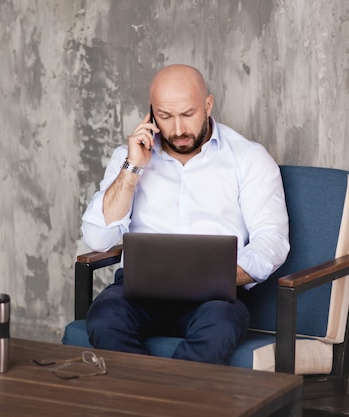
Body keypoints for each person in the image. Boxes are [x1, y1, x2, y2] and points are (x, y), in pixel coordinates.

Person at [81, 64, 290, 365]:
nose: (177, 130)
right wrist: (133, 167)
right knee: (103, 318)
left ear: (208, 105)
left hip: (214, 296)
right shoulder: (128, 159)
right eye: (165, 116)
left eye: (187, 114)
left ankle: (155, 404)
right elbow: (98, 238)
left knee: (219, 326)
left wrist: (220, 276)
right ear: (151, 114)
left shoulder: (248, 158)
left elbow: (272, 240)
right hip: (140, 290)